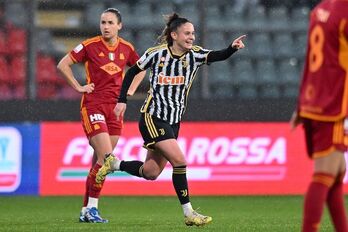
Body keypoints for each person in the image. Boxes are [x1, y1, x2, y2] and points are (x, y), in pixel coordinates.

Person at [95, 13, 245, 226]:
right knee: (180, 161)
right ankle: (189, 213)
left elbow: (217, 55)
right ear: (174, 35)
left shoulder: (195, 55)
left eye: (193, 33)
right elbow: (131, 73)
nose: (191, 37)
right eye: (187, 33)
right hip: (152, 117)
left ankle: (114, 164)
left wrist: (232, 48)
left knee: (151, 172)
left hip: (173, 121)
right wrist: (122, 100)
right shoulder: (155, 54)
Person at [57, 8, 145, 223]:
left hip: (115, 109)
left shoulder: (127, 48)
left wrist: (130, 91)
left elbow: (141, 68)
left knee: (99, 162)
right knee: (107, 159)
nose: (105, 26)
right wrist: (79, 86)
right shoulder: (89, 45)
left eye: (110, 22)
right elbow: (63, 64)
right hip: (93, 105)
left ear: (119, 26)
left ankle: (86, 210)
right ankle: (92, 209)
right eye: (103, 22)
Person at [290, 1, 348, 231]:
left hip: (314, 101)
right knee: (325, 173)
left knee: (336, 173)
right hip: (333, 104)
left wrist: (301, 103)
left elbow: (310, 61)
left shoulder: (320, 9)